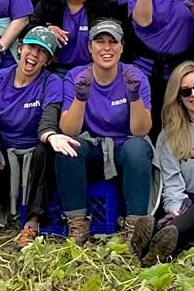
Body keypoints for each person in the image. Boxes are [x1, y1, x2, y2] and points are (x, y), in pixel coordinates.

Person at [50, 20, 155, 245]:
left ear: (122, 47)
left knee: (139, 147)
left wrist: (134, 97)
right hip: (92, 146)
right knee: (68, 148)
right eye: (100, 42)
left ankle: (135, 230)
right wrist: (80, 98)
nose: (106, 48)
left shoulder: (134, 76)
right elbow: (69, 129)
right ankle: (77, 226)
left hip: (123, 148)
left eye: (112, 42)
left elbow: (141, 130)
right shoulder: (76, 76)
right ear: (90, 48)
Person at [0, 26, 67, 249]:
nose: (34, 55)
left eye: (42, 52)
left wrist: (51, 136)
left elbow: (48, 122)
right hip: (3, 155)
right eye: (31, 47)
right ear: (20, 49)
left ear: (47, 60)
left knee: (48, 148)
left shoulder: (52, 83)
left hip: (34, 154)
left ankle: (32, 222)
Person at [141, 62, 194, 264]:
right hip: (193, 200)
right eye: (186, 92)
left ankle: (156, 241)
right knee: (193, 213)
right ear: (178, 98)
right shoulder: (169, 136)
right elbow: (172, 183)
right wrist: (175, 208)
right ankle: (159, 242)